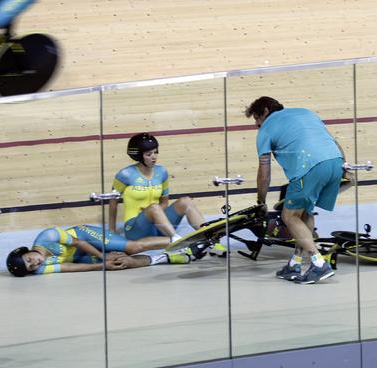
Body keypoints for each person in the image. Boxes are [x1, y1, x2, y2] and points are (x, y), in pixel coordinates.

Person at [246, 96, 346, 284]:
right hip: (336, 161)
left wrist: (261, 200)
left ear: (265, 111)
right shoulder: (306, 112)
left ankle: (318, 264)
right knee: (304, 213)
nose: (257, 126)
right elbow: (333, 141)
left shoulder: (265, 130)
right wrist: (344, 168)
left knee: (289, 216)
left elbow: (264, 173)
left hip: (309, 168)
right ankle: (296, 263)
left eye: (257, 121)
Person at [108, 133, 226, 255]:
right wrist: (111, 230)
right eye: (149, 154)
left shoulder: (161, 172)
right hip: (134, 228)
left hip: (157, 224)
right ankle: (177, 241)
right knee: (154, 207)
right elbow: (113, 203)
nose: (154, 157)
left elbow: (164, 202)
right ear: (138, 156)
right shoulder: (125, 174)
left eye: (155, 152)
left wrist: (155, 214)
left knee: (185, 201)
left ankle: (211, 239)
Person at [5, 224, 208, 276]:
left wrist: (102, 255)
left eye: (29, 259)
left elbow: (79, 243)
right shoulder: (40, 269)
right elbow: (68, 267)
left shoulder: (47, 237)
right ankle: (170, 258)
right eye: (31, 267)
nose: (35, 263)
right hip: (80, 258)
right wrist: (104, 265)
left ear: (27, 251)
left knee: (132, 247)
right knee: (120, 261)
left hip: (84, 238)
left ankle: (179, 240)